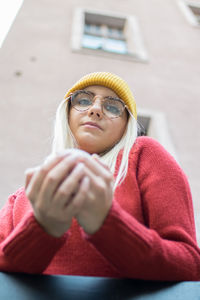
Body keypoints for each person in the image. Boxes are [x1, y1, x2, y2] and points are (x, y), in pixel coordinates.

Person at [0, 72, 200, 281]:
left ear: (126, 126)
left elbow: (190, 264)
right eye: (84, 100)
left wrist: (107, 223)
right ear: (67, 113)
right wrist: (43, 228)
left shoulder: (143, 155)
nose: (95, 110)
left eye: (112, 107)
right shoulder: (23, 196)